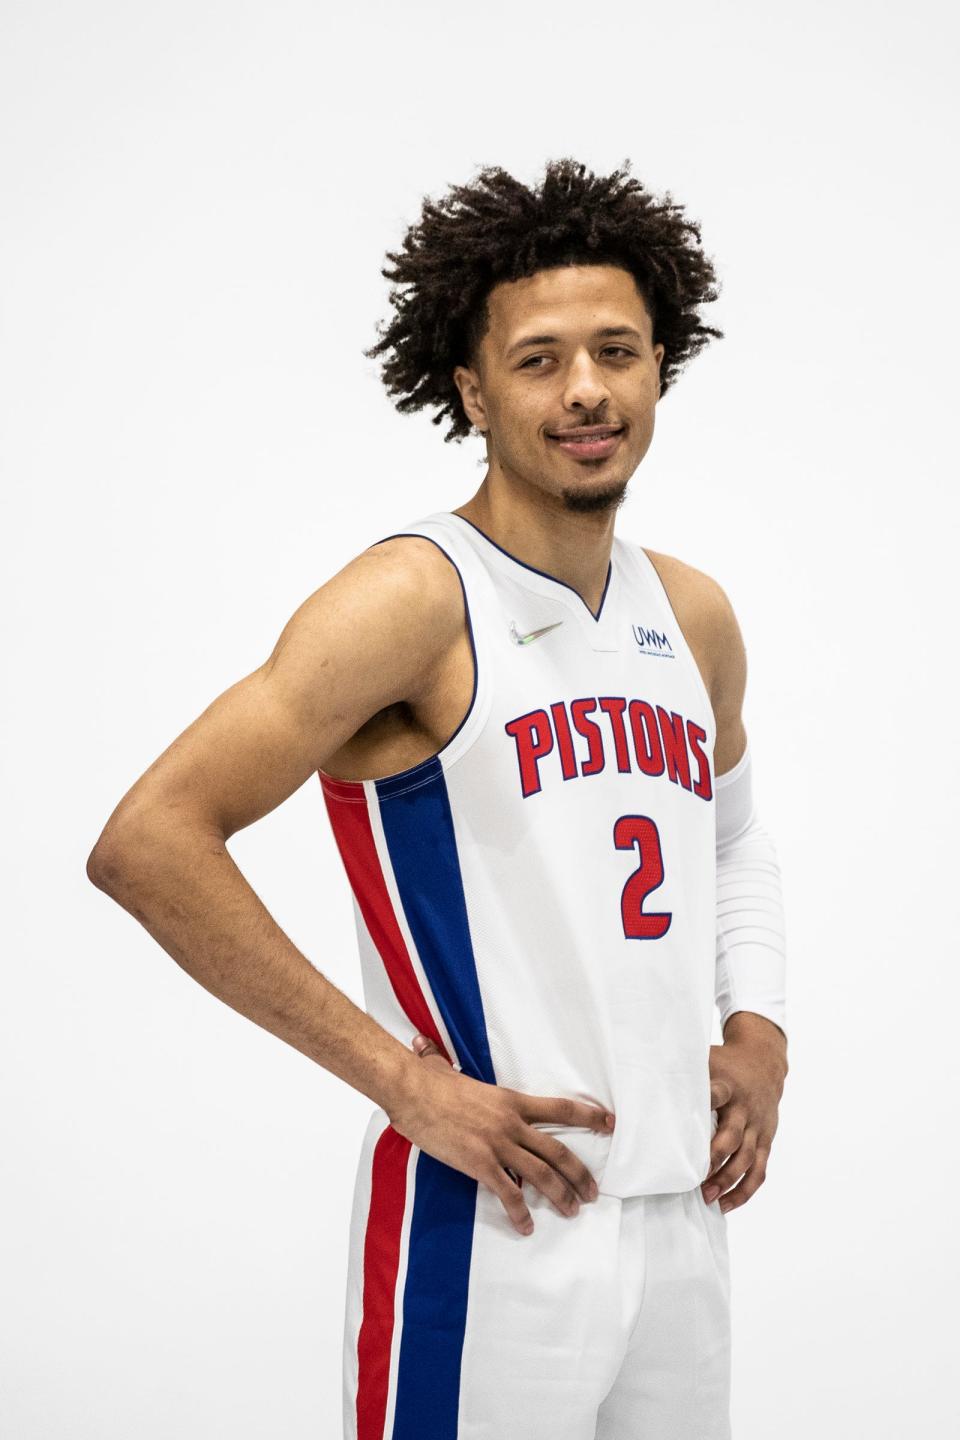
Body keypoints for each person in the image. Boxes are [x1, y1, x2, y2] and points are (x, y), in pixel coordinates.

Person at [88, 157, 789, 1439]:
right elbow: (149, 843)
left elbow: (733, 844)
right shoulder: (415, 600)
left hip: (682, 1219)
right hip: (491, 1227)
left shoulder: (691, 613)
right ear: (470, 387)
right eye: (538, 360)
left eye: (617, 351)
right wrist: (399, 1082)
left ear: (657, 367)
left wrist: (763, 1036)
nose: (586, 389)